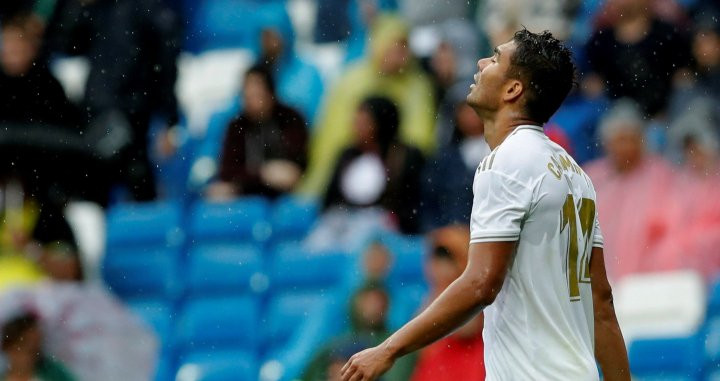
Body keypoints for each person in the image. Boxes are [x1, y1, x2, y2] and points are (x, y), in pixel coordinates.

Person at [340, 29, 629, 381]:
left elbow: (481, 284)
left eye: (494, 59)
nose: (480, 63)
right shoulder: (575, 175)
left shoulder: (506, 162)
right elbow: (601, 303)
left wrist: (388, 349)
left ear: (513, 89)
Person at [301, 15, 435, 196]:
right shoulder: (351, 80)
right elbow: (331, 134)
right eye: (394, 48)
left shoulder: (418, 86)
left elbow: (420, 139)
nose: (400, 56)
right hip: (345, 166)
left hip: (394, 173)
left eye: (404, 48)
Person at [583, 99, 675, 282]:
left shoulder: (660, 174)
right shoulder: (592, 176)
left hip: (647, 280)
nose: (624, 147)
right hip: (601, 280)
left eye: (629, 139)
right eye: (618, 140)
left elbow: (670, 226)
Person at [322, 96, 424, 234]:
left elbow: (411, 205)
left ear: (381, 124)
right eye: (356, 121)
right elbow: (330, 200)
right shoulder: (348, 154)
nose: (356, 126)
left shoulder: (405, 156)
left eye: (364, 122)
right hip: (344, 223)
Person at [207, 65, 308, 201]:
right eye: (247, 95)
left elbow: (294, 169)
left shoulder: (291, 119)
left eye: (256, 94)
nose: (251, 100)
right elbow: (228, 171)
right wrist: (263, 174)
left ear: (270, 93)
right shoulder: (236, 126)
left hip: (286, 196)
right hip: (248, 195)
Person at [584, 0, 691, 117]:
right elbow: (591, 84)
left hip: (669, 112)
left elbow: (684, 78)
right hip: (621, 116)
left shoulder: (667, 34)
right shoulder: (600, 41)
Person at [411, 225, 485, 381]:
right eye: (437, 260)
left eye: (448, 260)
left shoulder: (473, 290)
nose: (441, 268)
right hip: (436, 367)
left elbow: (468, 328)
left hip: (470, 363)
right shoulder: (432, 293)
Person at [302, 282, 415, 381]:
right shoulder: (335, 344)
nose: (374, 307)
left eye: (378, 301)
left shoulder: (397, 342)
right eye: (368, 301)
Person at [1, 313, 76, 381]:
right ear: (8, 346)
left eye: (36, 347)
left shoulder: (55, 374)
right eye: (25, 345)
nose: (32, 354)